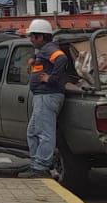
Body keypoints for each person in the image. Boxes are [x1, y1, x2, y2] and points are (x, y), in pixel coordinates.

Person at [21, 19, 73, 178]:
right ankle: (36, 165)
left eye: (33, 36)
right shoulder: (44, 50)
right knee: (32, 132)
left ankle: (41, 167)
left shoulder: (49, 48)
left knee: (45, 133)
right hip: (42, 96)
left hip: (47, 95)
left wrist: (51, 79)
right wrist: (34, 58)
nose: (31, 39)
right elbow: (46, 57)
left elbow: (61, 59)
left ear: (41, 37)